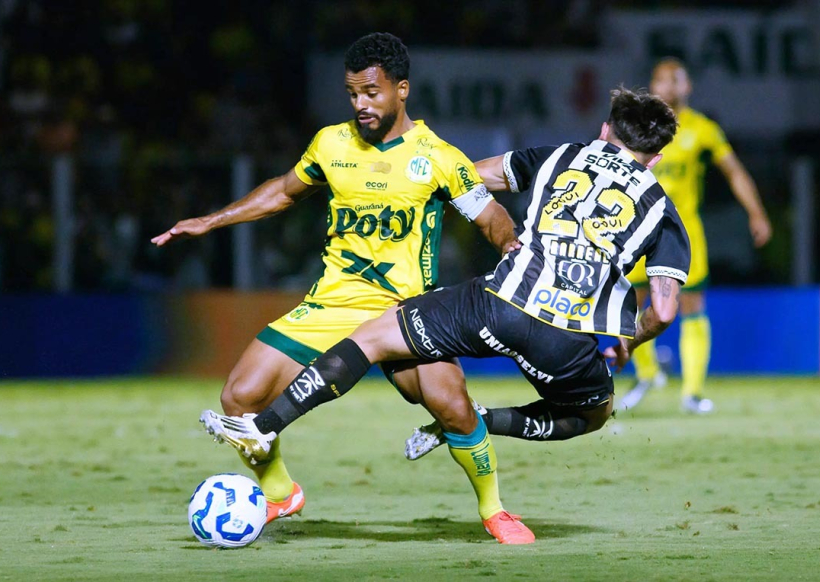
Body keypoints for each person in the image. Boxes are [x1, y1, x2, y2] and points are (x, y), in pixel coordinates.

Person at [200, 87, 690, 540]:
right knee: (591, 415)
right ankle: (489, 428)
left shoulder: (562, 156)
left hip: (496, 304)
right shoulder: (663, 210)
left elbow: (473, 178)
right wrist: (629, 340)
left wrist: (407, 184)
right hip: (565, 341)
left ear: (605, 130)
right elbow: (664, 310)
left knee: (372, 338)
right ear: (658, 158)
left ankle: (266, 424)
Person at [152, 33, 528, 543]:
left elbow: (491, 217)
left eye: (372, 92)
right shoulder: (332, 143)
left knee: (453, 406)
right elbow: (284, 192)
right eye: (353, 93)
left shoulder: (438, 157)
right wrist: (211, 220)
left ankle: (494, 509)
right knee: (239, 398)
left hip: (401, 311)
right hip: (333, 302)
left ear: (402, 89)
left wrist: (511, 248)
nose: (361, 104)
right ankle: (282, 494)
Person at [619, 58, 772, 414]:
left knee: (691, 305)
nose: (669, 85)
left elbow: (734, 171)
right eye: (661, 79)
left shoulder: (702, 128)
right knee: (629, 303)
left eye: (676, 79)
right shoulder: (638, 129)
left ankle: (692, 392)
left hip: (682, 232)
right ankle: (649, 373)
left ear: (687, 87)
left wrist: (756, 211)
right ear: (652, 86)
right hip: (636, 229)